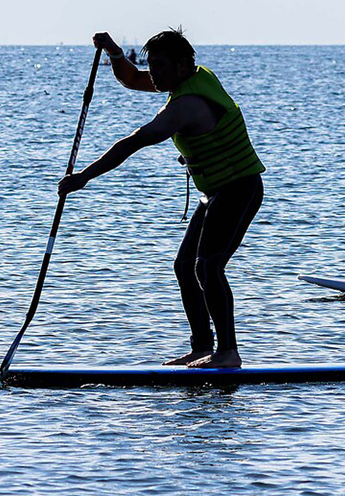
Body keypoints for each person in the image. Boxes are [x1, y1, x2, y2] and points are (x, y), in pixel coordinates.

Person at [58, 29, 266, 368]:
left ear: (182, 65)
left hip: (239, 188)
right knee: (185, 267)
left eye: (159, 66)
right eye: (151, 64)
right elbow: (131, 78)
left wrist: (84, 177)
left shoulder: (186, 106)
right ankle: (202, 348)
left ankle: (228, 353)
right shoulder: (192, 78)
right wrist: (113, 52)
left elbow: (133, 142)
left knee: (208, 266)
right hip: (213, 193)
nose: (152, 73)